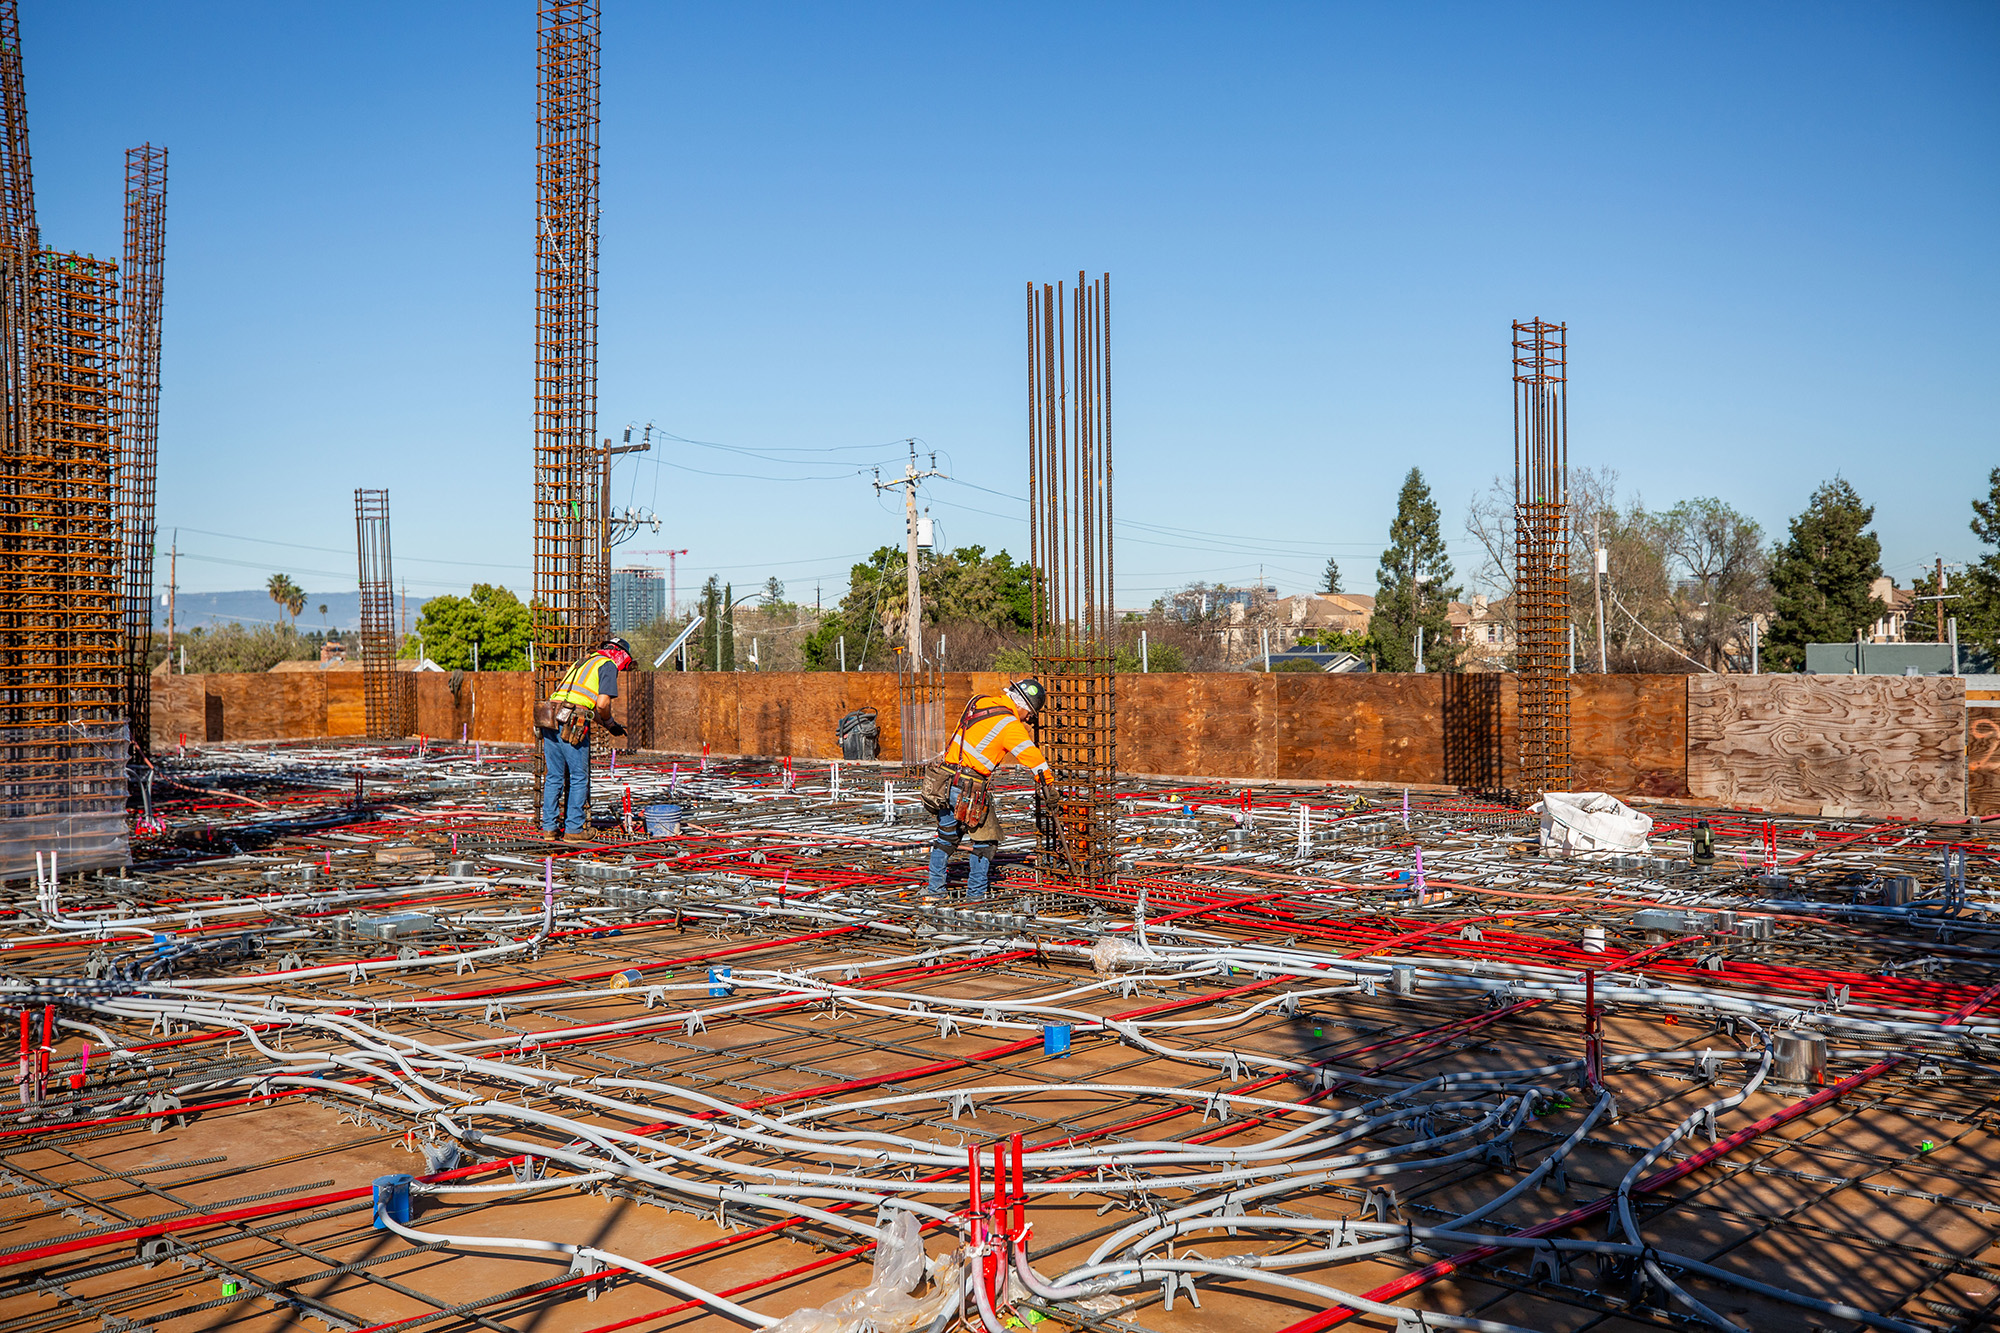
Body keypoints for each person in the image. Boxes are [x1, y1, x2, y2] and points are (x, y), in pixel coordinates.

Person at [926, 677, 1052, 901]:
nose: (1028, 720)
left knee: (946, 838)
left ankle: (935, 891)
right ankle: (975, 897)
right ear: (1023, 706)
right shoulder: (1009, 724)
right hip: (969, 787)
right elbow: (1033, 758)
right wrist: (1048, 785)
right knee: (985, 842)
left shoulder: (980, 702)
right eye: (1030, 714)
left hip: (946, 781)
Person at [540, 636, 631, 840]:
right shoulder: (607, 664)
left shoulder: (584, 661)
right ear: (621, 655)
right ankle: (573, 829)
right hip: (572, 722)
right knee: (578, 776)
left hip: (551, 716)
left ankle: (549, 828)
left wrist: (609, 725)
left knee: (554, 776)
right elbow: (601, 704)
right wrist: (608, 719)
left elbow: (582, 701)